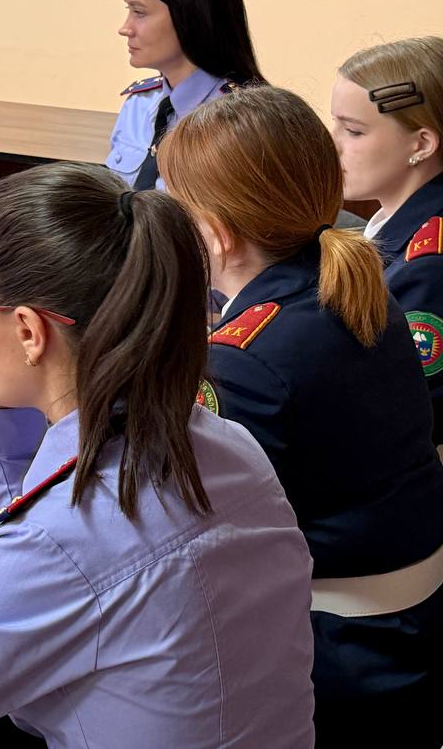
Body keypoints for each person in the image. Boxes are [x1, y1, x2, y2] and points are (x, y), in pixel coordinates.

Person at [0, 163, 316, 748]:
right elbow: (40, 553)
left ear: (29, 331)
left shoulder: (62, 544)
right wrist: (6, 413)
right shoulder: (228, 444)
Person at [159, 86, 443, 746]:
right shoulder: (348, 276)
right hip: (412, 611)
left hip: (347, 647)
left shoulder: (245, 359)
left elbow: (191, 528)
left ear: (215, 235)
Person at [331, 37, 443, 441]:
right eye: (335, 124)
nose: (332, 143)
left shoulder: (427, 265)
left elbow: (406, 410)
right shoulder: (395, 224)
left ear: (421, 144)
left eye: (353, 131)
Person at [109, 0, 265, 190]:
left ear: (190, 16)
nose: (125, 28)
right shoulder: (138, 104)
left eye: (139, 12)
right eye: (129, 9)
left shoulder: (238, 122)